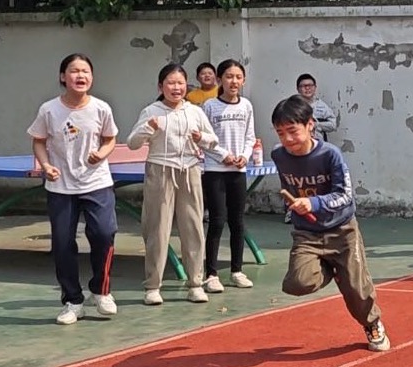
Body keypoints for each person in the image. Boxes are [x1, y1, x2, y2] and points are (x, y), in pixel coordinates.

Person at [270, 96, 390, 351]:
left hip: (341, 229)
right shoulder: (279, 155)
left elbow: (345, 195)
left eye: (292, 131)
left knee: (356, 289)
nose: (287, 139)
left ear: (310, 125)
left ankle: (372, 323)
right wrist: (295, 206)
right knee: (295, 284)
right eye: (280, 133)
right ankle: (331, 269)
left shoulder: (330, 154)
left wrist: (313, 203)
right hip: (307, 232)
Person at [30, 54, 120, 325]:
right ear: (63, 77)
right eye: (74, 71)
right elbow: (38, 141)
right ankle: (73, 301)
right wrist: (46, 165)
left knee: (104, 233)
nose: (80, 76)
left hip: (97, 183)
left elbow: (110, 138)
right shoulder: (49, 110)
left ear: (92, 77)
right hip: (60, 186)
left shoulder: (101, 108)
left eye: (85, 71)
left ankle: (101, 291)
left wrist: (102, 153)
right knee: (62, 243)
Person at [128, 63, 227, 305]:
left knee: (193, 228)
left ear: (186, 86)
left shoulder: (194, 111)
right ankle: (153, 286)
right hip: (160, 171)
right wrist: (148, 129)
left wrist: (201, 138)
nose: (176, 88)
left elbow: (213, 140)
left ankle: (195, 283)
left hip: (190, 171)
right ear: (160, 86)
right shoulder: (151, 111)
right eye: (171, 83)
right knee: (157, 229)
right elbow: (132, 143)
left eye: (180, 83)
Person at [201, 59, 256, 292]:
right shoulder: (210, 106)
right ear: (220, 80)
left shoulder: (246, 106)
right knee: (217, 221)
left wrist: (244, 156)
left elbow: (250, 137)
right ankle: (211, 274)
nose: (234, 81)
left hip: (238, 172)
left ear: (243, 80)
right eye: (229, 77)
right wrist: (223, 155)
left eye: (238, 77)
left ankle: (237, 271)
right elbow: (204, 139)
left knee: (237, 221)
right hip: (215, 171)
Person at [296, 74, 338, 141]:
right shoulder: (293, 106)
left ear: (315, 87)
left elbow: (333, 125)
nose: (307, 88)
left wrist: (316, 125)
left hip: (318, 144)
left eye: (310, 85)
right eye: (304, 86)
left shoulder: (322, 106)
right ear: (298, 89)